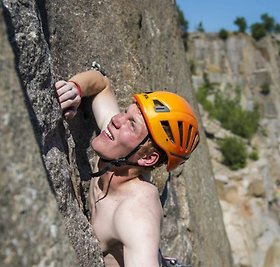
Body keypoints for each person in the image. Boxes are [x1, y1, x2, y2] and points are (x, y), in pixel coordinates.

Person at [55, 70, 200, 266]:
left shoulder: (136, 213)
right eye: (125, 112)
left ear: (148, 158)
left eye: (132, 125)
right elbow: (101, 83)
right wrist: (74, 89)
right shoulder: (118, 150)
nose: (116, 120)